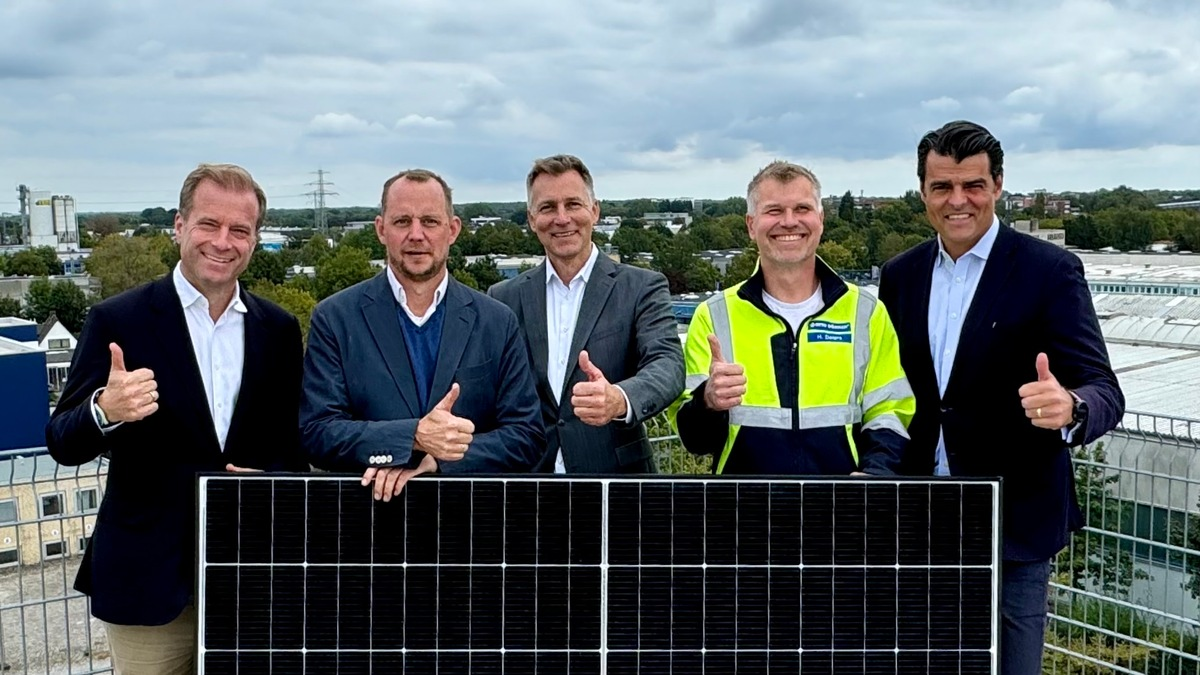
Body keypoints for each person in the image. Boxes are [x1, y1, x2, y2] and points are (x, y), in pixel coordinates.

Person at [877, 120, 1125, 675]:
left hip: (1012, 519)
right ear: (923, 192)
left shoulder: (1050, 270)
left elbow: (1105, 389)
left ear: (998, 187)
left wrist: (1072, 408)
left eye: (973, 185)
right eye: (942, 187)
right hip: (920, 514)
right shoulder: (900, 275)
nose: (957, 200)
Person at [46, 163, 306, 675]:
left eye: (240, 230)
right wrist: (104, 410)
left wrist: (274, 474)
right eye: (209, 224)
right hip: (148, 583)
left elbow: (292, 443)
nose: (223, 242)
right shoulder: (118, 320)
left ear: (255, 240)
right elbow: (61, 441)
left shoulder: (277, 329)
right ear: (180, 225)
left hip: (248, 578)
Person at [300, 168, 544, 497]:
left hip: (471, 526)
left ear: (453, 229)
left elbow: (526, 436)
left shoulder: (496, 321)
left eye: (430, 221)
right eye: (402, 221)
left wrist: (440, 459)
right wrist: (412, 438)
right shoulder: (335, 318)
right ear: (380, 229)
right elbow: (317, 433)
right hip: (368, 523)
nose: (417, 234)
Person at [672, 161, 914, 475]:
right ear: (750, 224)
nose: (789, 222)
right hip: (744, 512)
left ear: (821, 220)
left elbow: (889, 411)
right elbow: (695, 441)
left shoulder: (866, 312)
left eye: (802, 208)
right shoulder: (714, 316)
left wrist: (876, 472)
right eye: (774, 211)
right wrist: (708, 402)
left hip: (841, 508)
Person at [488, 154, 684, 473]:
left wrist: (619, 398)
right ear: (531, 218)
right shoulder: (504, 297)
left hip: (617, 482)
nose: (561, 218)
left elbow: (668, 364)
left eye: (573, 204)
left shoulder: (641, 287)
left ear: (594, 211)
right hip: (531, 484)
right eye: (548, 207)